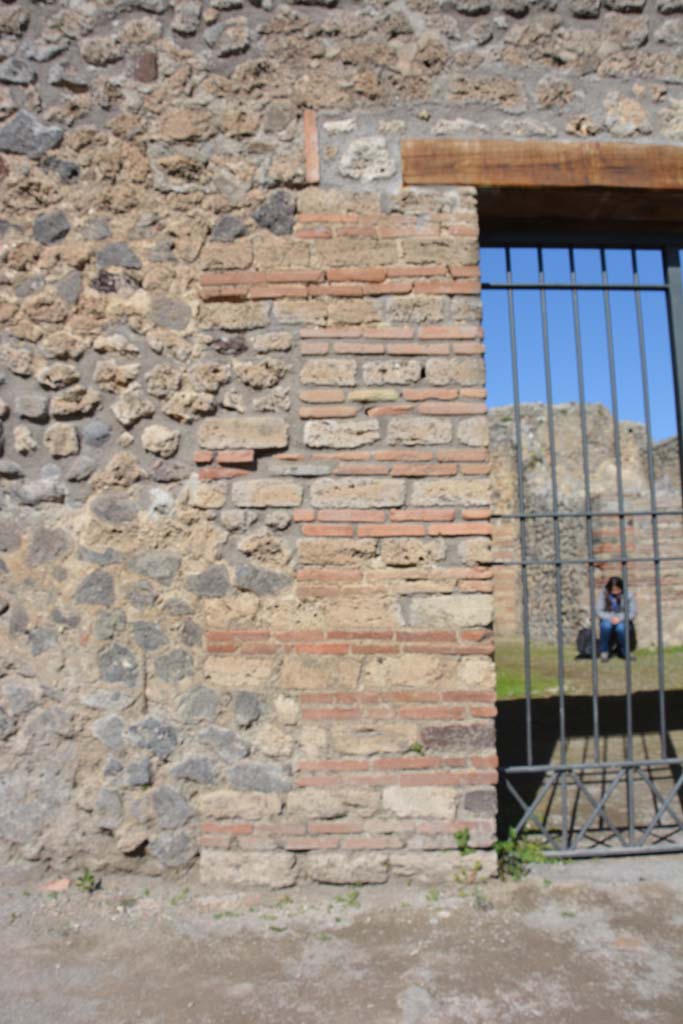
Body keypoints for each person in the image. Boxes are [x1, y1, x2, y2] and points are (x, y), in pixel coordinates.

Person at [597, 576, 636, 662]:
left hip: (622, 619)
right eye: (613, 590)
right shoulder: (603, 594)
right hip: (608, 618)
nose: (615, 592)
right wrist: (611, 617)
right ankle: (604, 651)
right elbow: (599, 611)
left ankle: (624, 651)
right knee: (605, 626)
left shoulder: (628, 595)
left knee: (621, 628)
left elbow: (632, 612)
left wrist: (620, 618)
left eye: (617, 590)